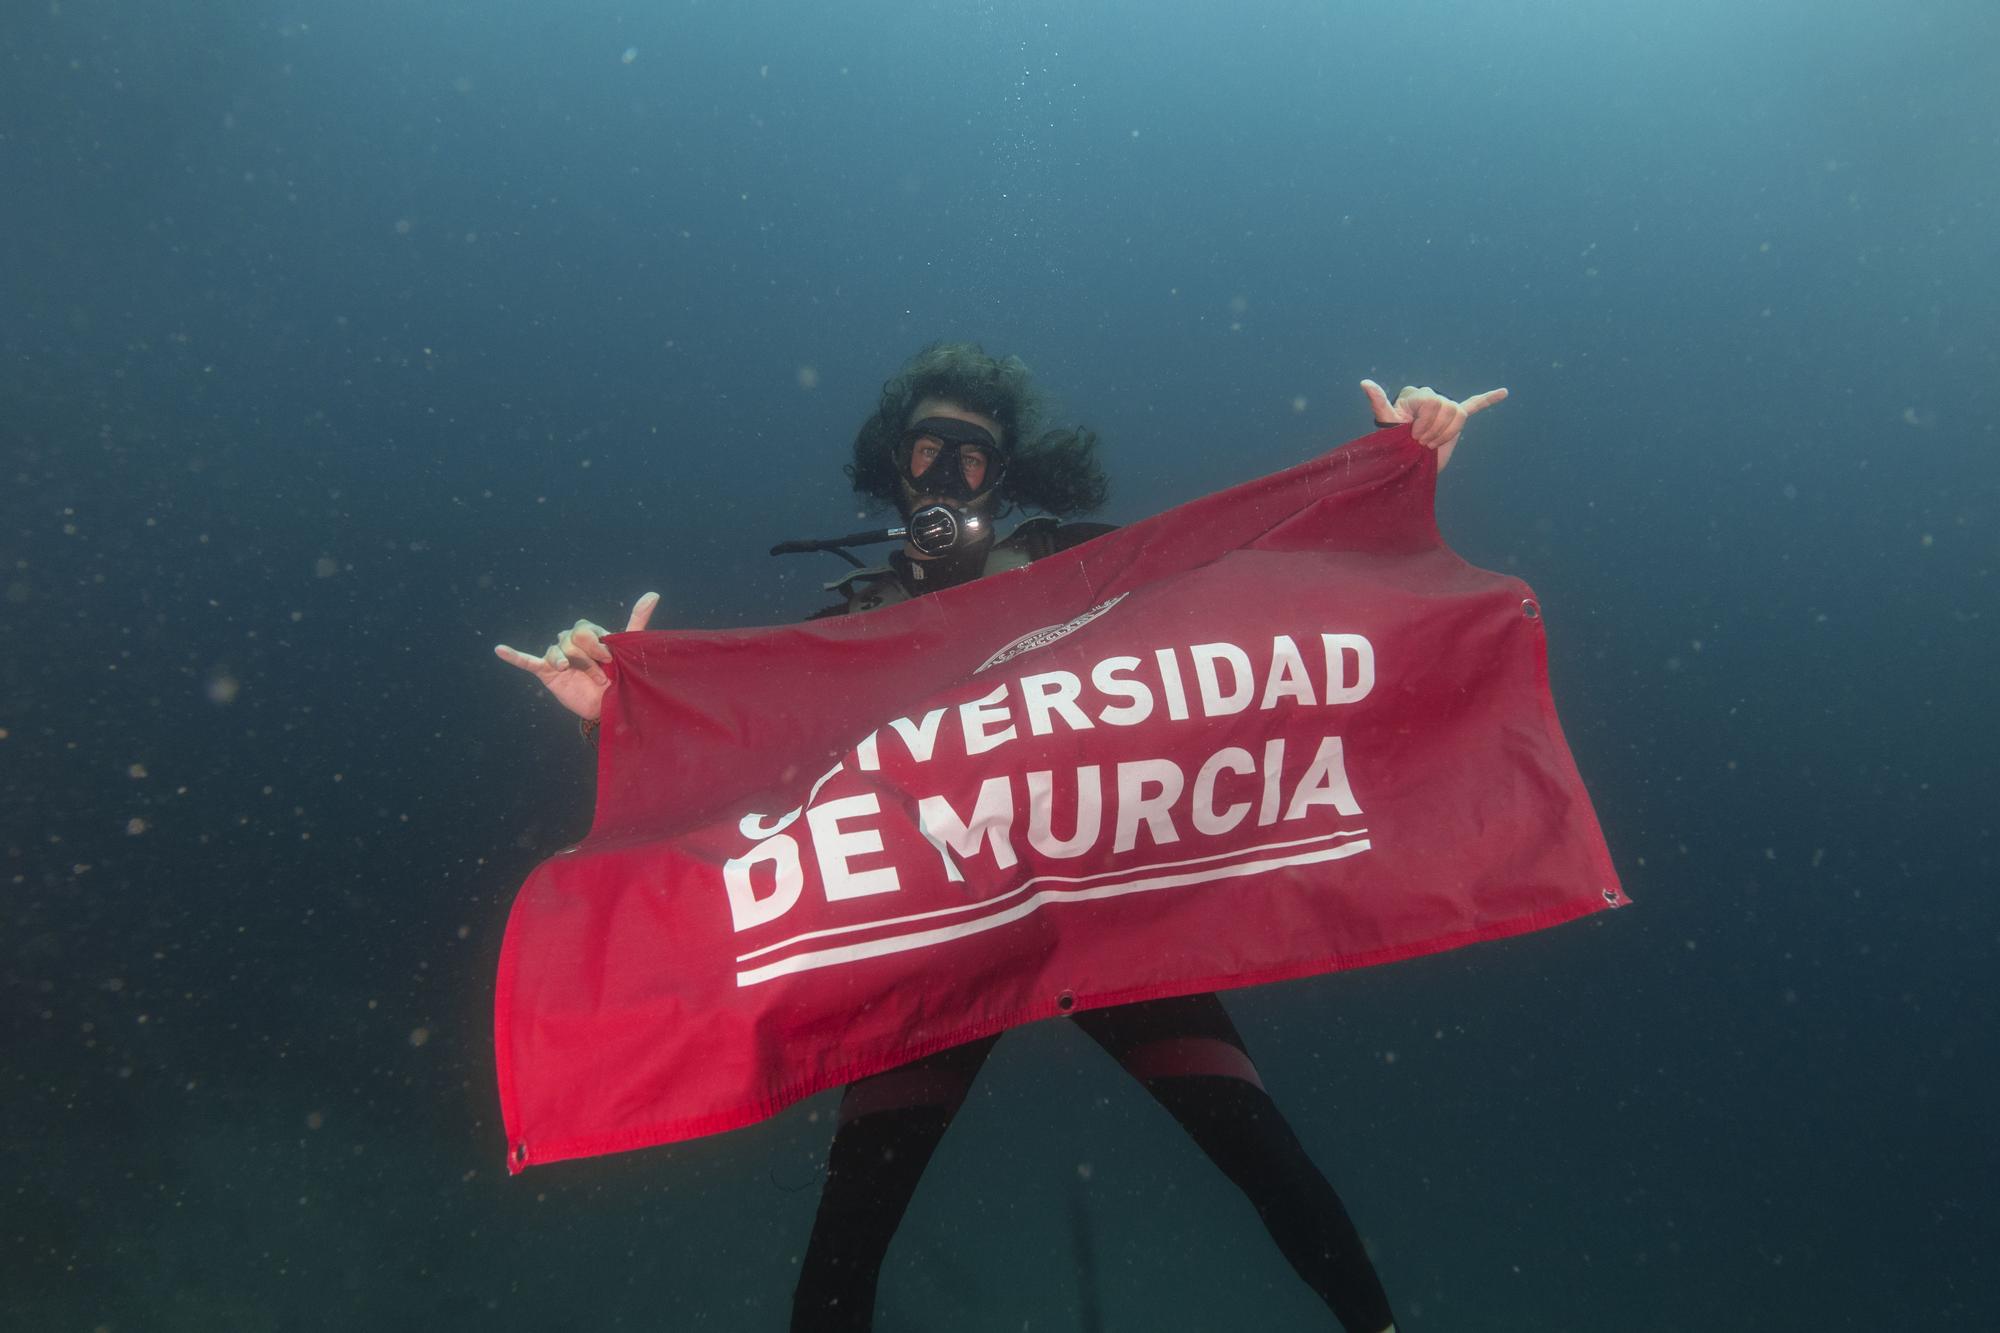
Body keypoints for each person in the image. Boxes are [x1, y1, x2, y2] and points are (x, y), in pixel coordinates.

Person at [495, 344, 1504, 1331]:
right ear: (893, 464)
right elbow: (751, 761)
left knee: (1261, 1156)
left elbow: (1251, 584)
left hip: (1106, 908)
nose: (946, 475)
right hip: (933, 935)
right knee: (848, 1234)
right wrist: (626, 712)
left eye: (972, 457)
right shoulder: (845, 626)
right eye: (928, 451)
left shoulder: (1083, 565)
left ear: (1005, 474)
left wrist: (1392, 471)